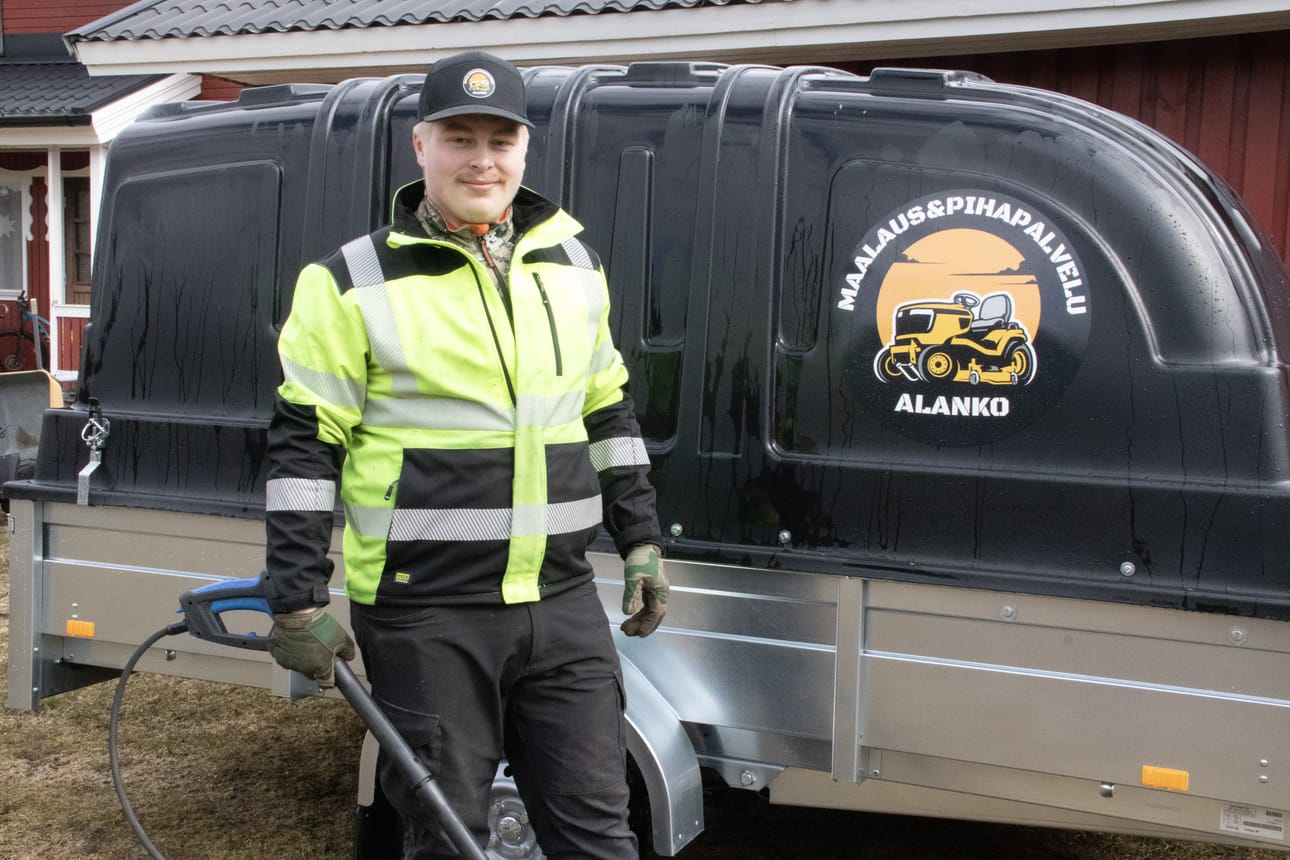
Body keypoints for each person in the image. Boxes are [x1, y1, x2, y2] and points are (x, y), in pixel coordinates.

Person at [260, 50, 669, 859]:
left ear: (524, 151)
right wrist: (296, 601)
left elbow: (608, 412)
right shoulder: (350, 281)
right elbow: (305, 450)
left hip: (561, 602)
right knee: (449, 839)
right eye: (459, 138)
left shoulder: (575, 267)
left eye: (500, 140)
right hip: (426, 612)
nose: (481, 159)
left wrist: (643, 541)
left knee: (600, 835)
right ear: (421, 147)